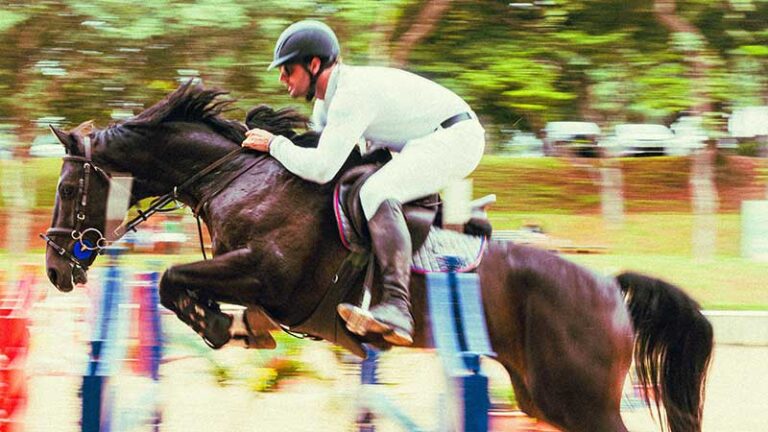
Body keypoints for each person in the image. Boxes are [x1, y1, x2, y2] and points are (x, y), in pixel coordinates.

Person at [242, 20, 485, 346]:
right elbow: (332, 167)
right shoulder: (325, 106)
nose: (281, 78)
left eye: (287, 70)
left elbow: (322, 169)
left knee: (376, 191)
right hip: (422, 141)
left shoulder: (350, 94)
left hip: (457, 139)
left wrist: (275, 145)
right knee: (363, 189)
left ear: (314, 65)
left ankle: (398, 306)